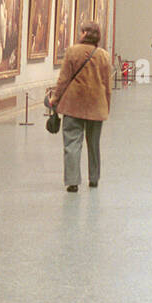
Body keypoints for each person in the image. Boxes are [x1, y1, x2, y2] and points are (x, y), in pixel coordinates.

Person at [47, 20, 113, 191]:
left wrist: (55, 98)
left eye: (81, 31)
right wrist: (107, 106)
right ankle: (94, 178)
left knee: (71, 144)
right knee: (94, 143)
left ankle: (73, 181)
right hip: (96, 105)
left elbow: (64, 79)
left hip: (73, 104)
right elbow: (107, 85)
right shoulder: (104, 55)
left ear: (84, 33)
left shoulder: (72, 51)